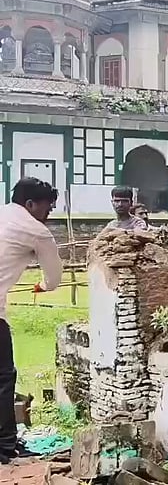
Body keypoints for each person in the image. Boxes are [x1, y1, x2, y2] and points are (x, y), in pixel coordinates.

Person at [0, 177, 63, 463]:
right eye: (47, 208)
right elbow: (53, 279)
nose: (49, 214)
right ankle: (5, 447)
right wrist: (42, 286)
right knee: (3, 378)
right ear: (30, 204)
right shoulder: (37, 232)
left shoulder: (2, 212)